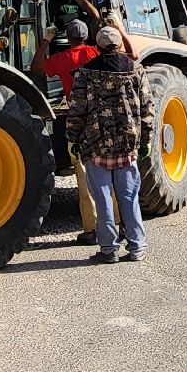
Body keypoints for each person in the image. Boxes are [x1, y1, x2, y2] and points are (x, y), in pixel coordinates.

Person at [65, 25, 152, 264]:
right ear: (119, 45)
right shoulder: (136, 70)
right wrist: (145, 141)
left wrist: (73, 138)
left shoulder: (85, 73)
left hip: (96, 146)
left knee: (102, 199)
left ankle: (108, 250)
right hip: (127, 144)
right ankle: (136, 247)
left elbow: (77, 110)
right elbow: (147, 109)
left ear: (98, 46)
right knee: (129, 197)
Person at [31, 19, 99, 243]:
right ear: (87, 37)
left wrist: (46, 41)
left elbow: (36, 66)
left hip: (78, 122)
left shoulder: (62, 59)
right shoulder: (96, 53)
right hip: (100, 120)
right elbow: (130, 54)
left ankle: (90, 230)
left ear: (68, 39)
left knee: (84, 176)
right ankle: (117, 225)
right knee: (109, 173)